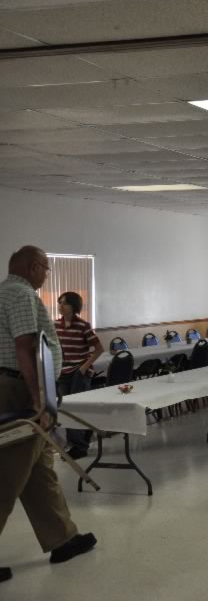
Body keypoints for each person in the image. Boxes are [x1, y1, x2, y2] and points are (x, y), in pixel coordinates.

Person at [0, 246, 97, 584]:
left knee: (39, 470)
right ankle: (62, 538)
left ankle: (62, 539)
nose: (46, 275)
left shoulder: (5, 291)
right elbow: (25, 347)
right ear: (32, 267)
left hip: (16, 386)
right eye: (45, 268)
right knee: (7, 475)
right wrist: (40, 399)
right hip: (18, 390)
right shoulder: (21, 294)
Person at [54, 292, 103, 460]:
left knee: (77, 408)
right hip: (62, 372)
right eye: (60, 302)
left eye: (65, 303)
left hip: (79, 373)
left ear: (74, 306)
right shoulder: (55, 325)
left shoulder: (83, 325)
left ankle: (80, 446)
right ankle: (76, 442)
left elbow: (99, 349)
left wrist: (83, 368)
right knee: (65, 409)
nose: (61, 306)